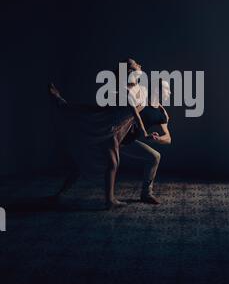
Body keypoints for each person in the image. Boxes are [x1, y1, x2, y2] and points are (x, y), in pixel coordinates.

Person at [50, 59, 153, 210]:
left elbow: (141, 108)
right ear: (130, 72)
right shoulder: (124, 90)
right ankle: (108, 200)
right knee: (111, 162)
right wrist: (144, 132)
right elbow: (135, 115)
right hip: (107, 126)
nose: (140, 65)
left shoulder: (140, 88)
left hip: (118, 129)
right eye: (135, 64)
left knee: (93, 162)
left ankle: (61, 194)